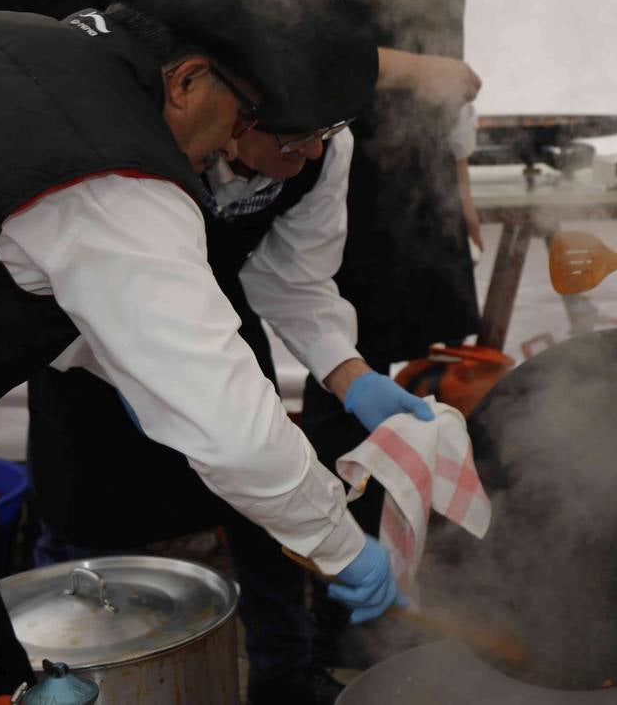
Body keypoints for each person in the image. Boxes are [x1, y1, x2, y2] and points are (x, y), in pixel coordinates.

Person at [0, 0, 406, 704]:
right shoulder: (115, 173)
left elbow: (51, 286)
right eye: (253, 123)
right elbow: (231, 430)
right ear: (185, 82)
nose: (244, 154)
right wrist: (342, 547)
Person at [29, 107, 438, 704]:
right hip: (87, 341)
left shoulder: (320, 145)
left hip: (221, 331)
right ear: (233, 108)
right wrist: (136, 375)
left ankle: (284, 679)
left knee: (266, 524)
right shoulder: (123, 140)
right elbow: (52, 282)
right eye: (297, 138)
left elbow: (291, 277)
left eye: (324, 136)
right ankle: (79, 681)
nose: (315, 153)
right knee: (90, 560)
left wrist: (352, 377)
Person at [250, 0, 484, 659]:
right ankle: (336, 606)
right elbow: (284, 41)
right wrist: (425, 73)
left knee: (408, 366)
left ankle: (409, 571)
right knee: (341, 389)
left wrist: (455, 171)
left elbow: (443, 37)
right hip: (338, 177)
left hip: (412, 175)